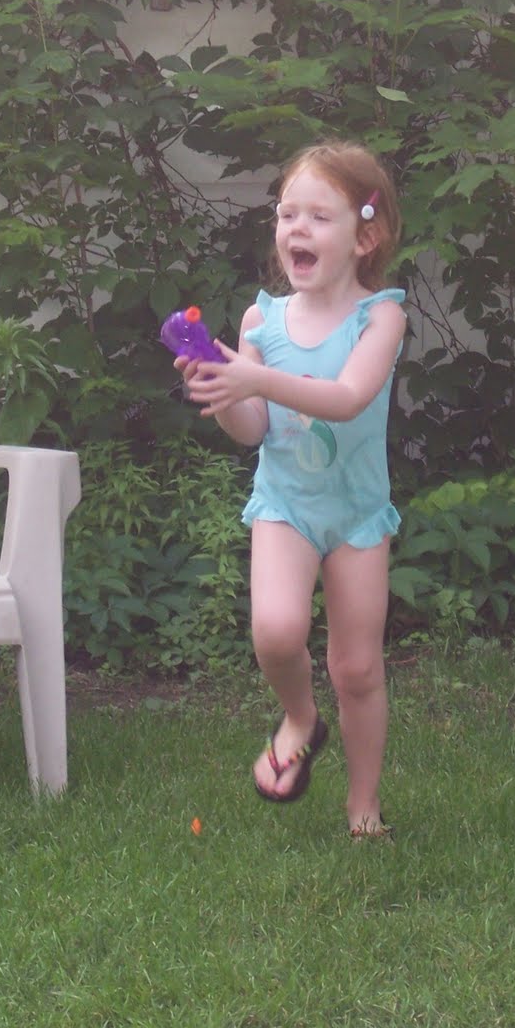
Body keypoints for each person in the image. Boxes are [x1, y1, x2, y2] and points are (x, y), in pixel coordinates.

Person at [179, 141, 406, 838]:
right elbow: (253, 429)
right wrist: (223, 394)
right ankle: (302, 719)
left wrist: (254, 379)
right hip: (285, 508)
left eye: (318, 216)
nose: (296, 228)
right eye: (286, 214)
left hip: (357, 515)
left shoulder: (380, 318)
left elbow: (347, 397)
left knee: (357, 668)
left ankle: (363, 806)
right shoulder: (262, 322)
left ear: (365, 236)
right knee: (276, 634)